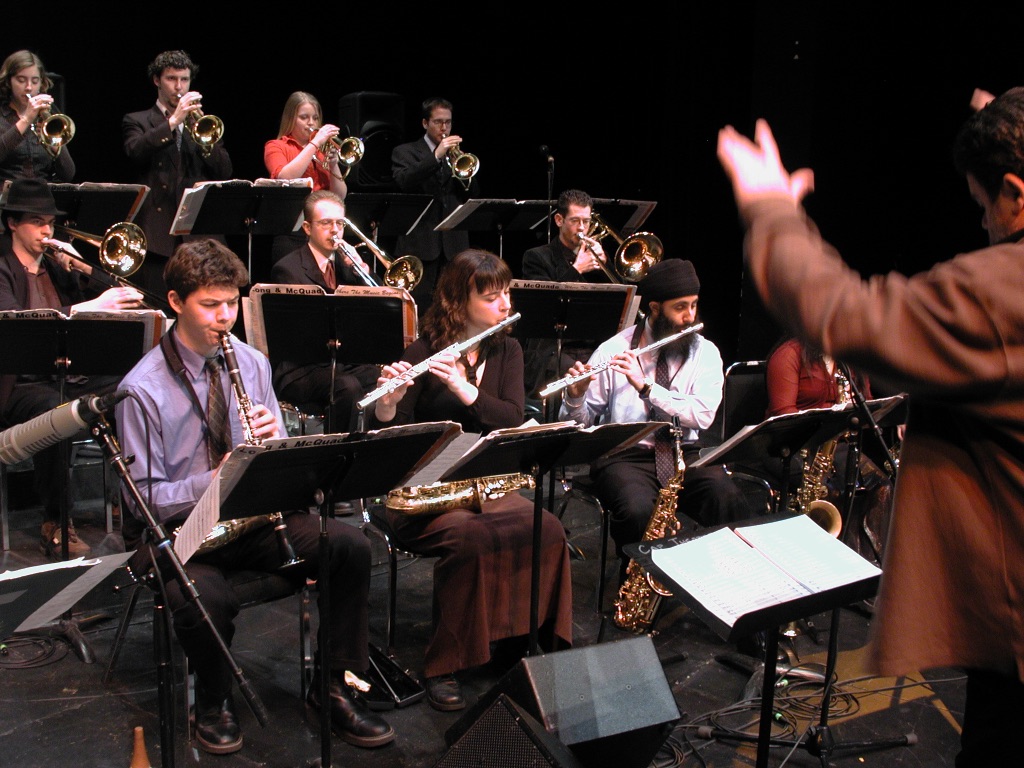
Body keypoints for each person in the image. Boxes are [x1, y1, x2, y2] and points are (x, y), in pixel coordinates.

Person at [716, 89, 1024, 767]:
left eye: (984, 207)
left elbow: (844, 312)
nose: (985, 227)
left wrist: (770, 207)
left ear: (1015, 192)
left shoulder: (1008, 288)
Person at [115, 239, 394, 755]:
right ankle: (213, 700)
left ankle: (332, 685)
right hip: (181, 533)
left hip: (253, 518)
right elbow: (143, 502)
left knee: (348, 546)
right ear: (175, 302)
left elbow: (280, 458)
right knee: (206, 596)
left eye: (231, 304)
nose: (225, 318)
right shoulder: (142, 389)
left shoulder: (251, 362)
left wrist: (274, 445)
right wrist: (216, 477)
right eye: (209, 305)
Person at [368, 249, 572, 712]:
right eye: (492, 296)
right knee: (470, 539)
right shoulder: (424, 352)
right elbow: (393, 434)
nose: (505, 305)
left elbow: (513, 416)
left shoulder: (507, 350)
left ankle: (522, 644)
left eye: (506, 294)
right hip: (426, 491)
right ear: (460, 301)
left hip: (485, 484)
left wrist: (466, 391)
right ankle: (446, 663)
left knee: (548, 529)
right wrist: (387, 404)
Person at [559, 258, 754, 580]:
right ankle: (637, 584)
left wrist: (648, 388)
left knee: (726, 497)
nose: (690, 317)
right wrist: (575, 396)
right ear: (654, 308)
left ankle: (735, 583)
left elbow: (703, 415)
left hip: (684, 453)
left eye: (693, 305)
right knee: (637, 510)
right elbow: (579, 425)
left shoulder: (704, 352)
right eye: (680, 308)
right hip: (624, 456)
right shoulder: (613, 350)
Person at [0, 179, 144, 558]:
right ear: (13, 223)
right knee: (56, 411)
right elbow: (17, 323)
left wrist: (80, 266)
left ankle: (133, 501)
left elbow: (110, 297)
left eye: (50, 222)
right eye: (37, 222)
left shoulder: (57, 266)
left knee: (131, 389)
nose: (46, 231)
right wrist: (85, 307)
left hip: (70, 374)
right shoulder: (2, 268)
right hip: (20, 385)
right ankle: (56, 521)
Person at [765, 336, 895, 566]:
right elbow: (784, 415)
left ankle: (870, 562)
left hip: (835, 446)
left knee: (881, 485)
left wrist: (858, 409)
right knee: (833, 490)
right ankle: (826, 562)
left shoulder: (849, 359)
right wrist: (832, 414)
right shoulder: (789, 354)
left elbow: (867, 405)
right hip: (791, 448)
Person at [122, 50, 233, 299]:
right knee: (161, 303)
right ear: (157, 80)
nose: (179, 87)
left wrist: (205, 142)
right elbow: (135, 151)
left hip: (198, 232)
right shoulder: (137, 120)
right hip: (158, 235)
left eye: (184, 79)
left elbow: (224, 170)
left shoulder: (201, 122)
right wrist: (173, 122)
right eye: (171, 79)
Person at [269, 190, 381, 435]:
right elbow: (299, 332)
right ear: (307, 228)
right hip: (301, 368)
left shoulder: (347, 266)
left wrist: (362, 271)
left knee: (387, 380)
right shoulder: (288, 269)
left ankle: (373, 443)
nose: (335, 230)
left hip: (340, 360)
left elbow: (381, 302)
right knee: (346, 387)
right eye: (326, 223)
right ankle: (337, 450)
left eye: (340, 223)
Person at [391, 97, 480, 314]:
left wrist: (464, 172)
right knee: (420, 310)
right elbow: (404, 181)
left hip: (454, 248)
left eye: (448, 122)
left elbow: (472, 194)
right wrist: (436, 156)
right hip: (420, 245)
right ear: (425, 123)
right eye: (438, 122)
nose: (444, 128)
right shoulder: (405, 152)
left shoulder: (457, 154)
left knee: (454, 311)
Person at [520, 188, 612, 398]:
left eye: (586, 222)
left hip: (593, 344)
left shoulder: (595, 258)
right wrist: (577, 269)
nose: (582, 228)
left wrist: (605, 265)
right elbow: (545, 305)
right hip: (553, 348)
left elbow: (621, 294)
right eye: (575, 221)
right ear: (559, 220)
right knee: (584, 377)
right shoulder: (536, 257)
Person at [264, 91, 349, 264]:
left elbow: (340, 195)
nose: (311, 123)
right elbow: (285, 177)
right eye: (304, 117)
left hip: (323, 232)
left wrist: (333, 164)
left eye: (315, 118)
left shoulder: (322, 151)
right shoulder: (276, 146)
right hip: (291, 232)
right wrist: (315, 143)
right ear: (291, 119)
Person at [0, 50, 75, 183]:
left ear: (41, 83)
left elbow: (68, 174)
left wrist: (54, 144)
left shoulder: (49, 112)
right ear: (9, 82)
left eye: (35, 81)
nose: (29, 87)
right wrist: (26, 120)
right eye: (21, 80)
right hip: (7, 194)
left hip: (43, 193)